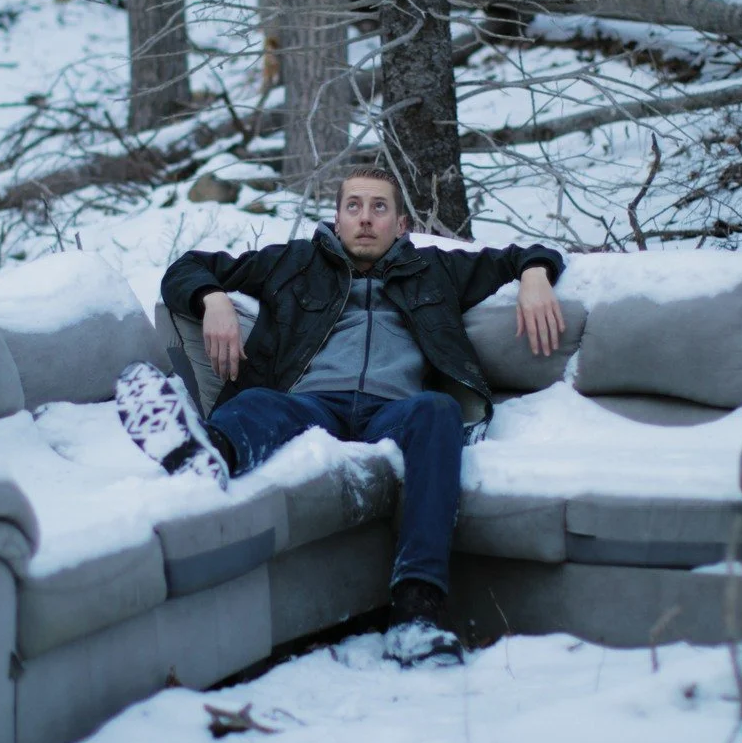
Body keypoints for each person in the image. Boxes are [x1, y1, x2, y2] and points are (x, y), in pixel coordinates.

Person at [115, 166, 565, 667]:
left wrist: (534, 275)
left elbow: (522, 256)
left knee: (438, 412)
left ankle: (417, 612)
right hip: (312, 405)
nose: (365, 219)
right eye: (354, 206)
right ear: (337, 216)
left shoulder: (436, 269)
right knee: (259, 403)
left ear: (400, 223)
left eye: (379, 207)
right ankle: (208, 454)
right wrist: (213, 297)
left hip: (394, 412)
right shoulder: (293, 263)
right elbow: (187, 267)